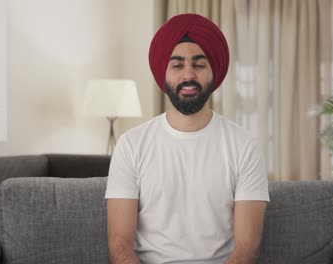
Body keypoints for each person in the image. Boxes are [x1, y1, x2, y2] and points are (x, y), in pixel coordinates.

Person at [105, 13, 269, 264]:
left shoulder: (245, 146)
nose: (189, 75)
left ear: (214, 70)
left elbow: (247, 248)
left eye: (199, 64)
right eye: (177, 65)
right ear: (164, 72)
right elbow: (120, 246)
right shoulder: (130, 146)